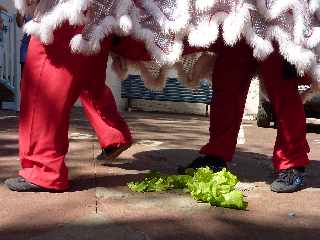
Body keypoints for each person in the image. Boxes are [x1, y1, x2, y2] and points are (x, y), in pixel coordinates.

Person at [4, 22, 133, 192]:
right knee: (90, 79)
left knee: (44, 83)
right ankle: (114, 135)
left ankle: (43, 170)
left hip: (64, 14)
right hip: (103, 16)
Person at [180, 39, 310, 193]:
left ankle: (292, 163)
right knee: (226, 86)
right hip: (238, 21)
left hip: (276, 23)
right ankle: (216, 155)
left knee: (283, 88)